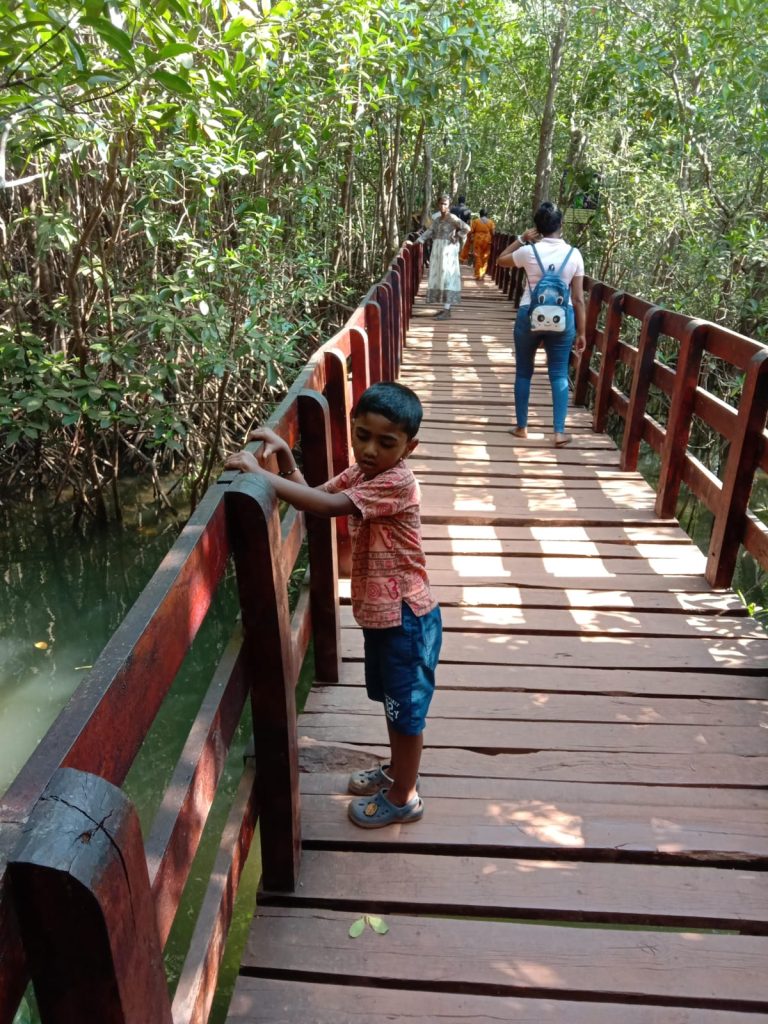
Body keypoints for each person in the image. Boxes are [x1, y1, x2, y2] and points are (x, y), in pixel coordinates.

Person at [224, 381, 442, 828]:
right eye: (362, 435)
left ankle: (404, 796)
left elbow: (326, 508)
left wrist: (257, 472)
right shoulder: (364, 473)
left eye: (386, 442)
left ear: (409, 448)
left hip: (406, 619)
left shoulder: (396, 481)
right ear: (353, 426)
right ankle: (398, 772)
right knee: (394, 704)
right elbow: (316, 495)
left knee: (405, 712)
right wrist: (285, 457)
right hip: (384, 617)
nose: (370, 449)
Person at [497, 200, 586, 447]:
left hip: (529, 313)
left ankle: (522, 427)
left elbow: (501, 259)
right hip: (563, 317)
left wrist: (521, 239)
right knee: (558, 373)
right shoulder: (574, 254)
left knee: (523, 372)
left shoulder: (528, 251)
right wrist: (582, 332)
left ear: (537, 228)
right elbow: (578, 298)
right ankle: (558, 432)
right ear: (561, 224)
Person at [418, 194, 470, 319]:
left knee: (448, 278)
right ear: (438, 204)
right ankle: (445, 308)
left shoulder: (452, 218)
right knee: (440, 277)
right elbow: (430, 231)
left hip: (448, 251)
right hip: (437, 251)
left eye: (445, 204)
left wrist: (457, 235)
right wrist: (419, 240)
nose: (443, 206)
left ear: (449, 205)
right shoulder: (437, 219)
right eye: (441, 203)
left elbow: (467, 228)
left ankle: (447, 310)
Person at [465, 208, 495, 279]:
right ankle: (482, 274)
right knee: (485, 257)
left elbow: (471, 231)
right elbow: (493, 233)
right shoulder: (491, 222)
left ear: (480, 214)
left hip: (478, 240)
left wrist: (470, 239)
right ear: (487, 215)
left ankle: (478, 274)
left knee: (477, 256)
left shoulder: (476, 221)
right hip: (487, 241)